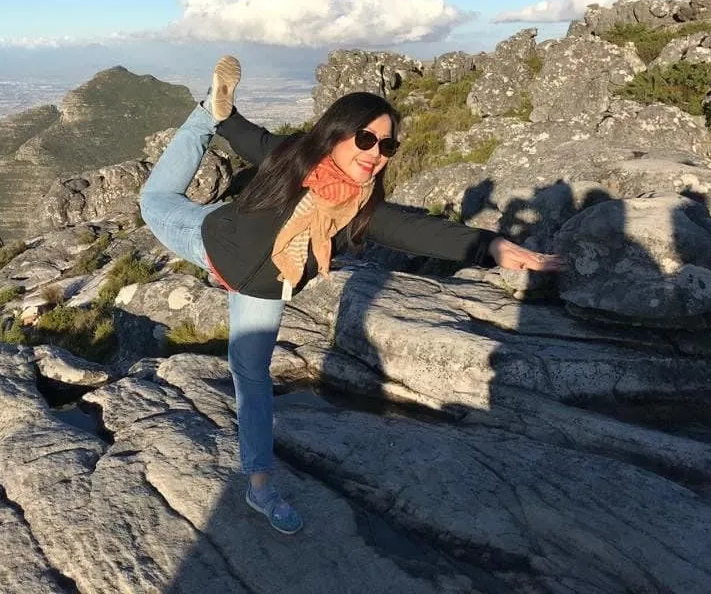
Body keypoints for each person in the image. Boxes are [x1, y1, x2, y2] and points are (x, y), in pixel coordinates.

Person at [139, 56, 561, 535]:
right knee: (153, 200)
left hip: (263, 288)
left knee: (250, 375)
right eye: (365, 139)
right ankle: (203, 112)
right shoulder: (291, 159)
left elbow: (415, 230)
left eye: (387, 145)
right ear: (335, 136)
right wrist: (223, 116)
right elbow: (248, 139)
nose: (376, 152)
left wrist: (489, 245)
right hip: (208, 240)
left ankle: (260, 486)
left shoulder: (362, 208)